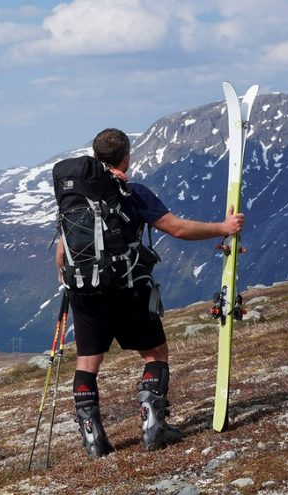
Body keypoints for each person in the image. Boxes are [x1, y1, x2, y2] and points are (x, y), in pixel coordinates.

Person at [53, 128, 245, 457]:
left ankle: (93, 439)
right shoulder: (133, 193)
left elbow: (61, 253)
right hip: (127, 290)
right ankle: (153, 426)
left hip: (84, 292)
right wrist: (223, 229)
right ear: (126, 157)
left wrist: (72, 284)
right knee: (155, 354)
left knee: (87, 363)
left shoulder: (76, 200)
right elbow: (178, 228)